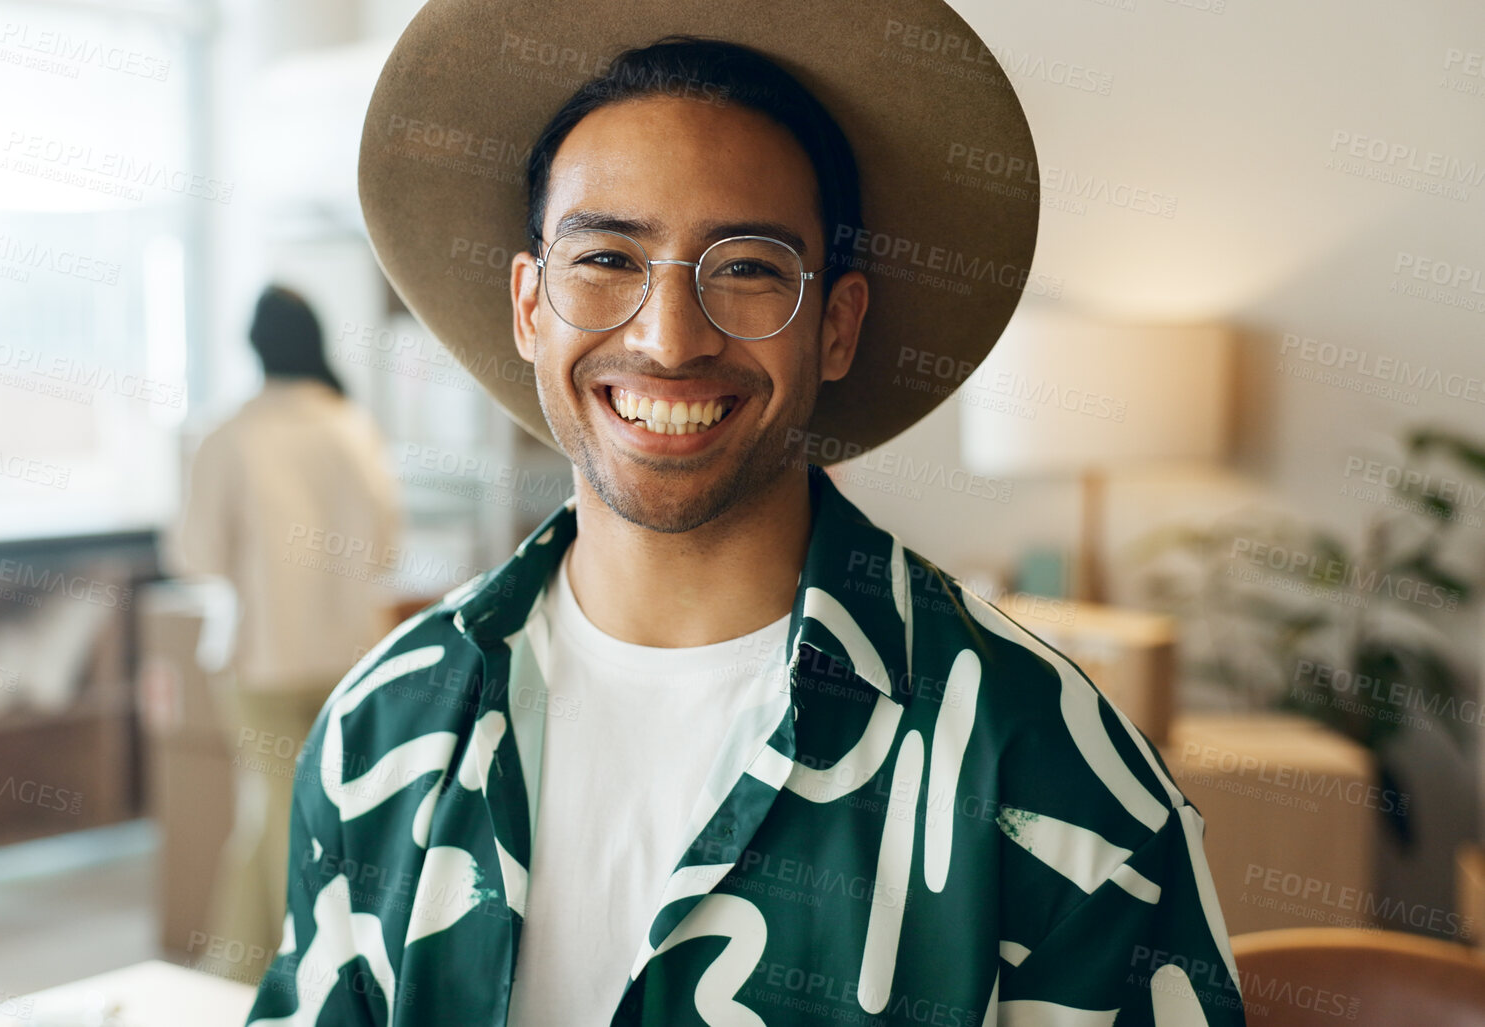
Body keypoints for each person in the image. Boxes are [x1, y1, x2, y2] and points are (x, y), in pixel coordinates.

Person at [248, 5, 1244, 1025]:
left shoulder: (1050, 772)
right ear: (529, 307)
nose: (671, 339)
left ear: (838, 325)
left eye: (748, 270)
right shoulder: (383, 732)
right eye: (605, 260)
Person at [172, 284, 401, 985]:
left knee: (276, 815)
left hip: (261, 658)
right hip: (350, 658)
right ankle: (239, 969)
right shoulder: (351, 425)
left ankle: (292, 972)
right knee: (303, 814)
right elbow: (386, 547)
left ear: (255, 347)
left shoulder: (230, 433)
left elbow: (195, 556)